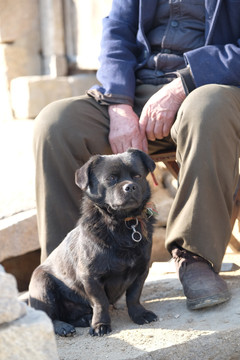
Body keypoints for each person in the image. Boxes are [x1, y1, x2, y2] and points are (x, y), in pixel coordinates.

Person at [33, 0, 240, 310]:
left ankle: (195, 257)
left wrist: (183, 83)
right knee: (56, 124)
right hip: (137, 88)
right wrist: (118, 103)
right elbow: (117, 32)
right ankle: (68, 276)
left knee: (206, 108)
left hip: (213, 86)